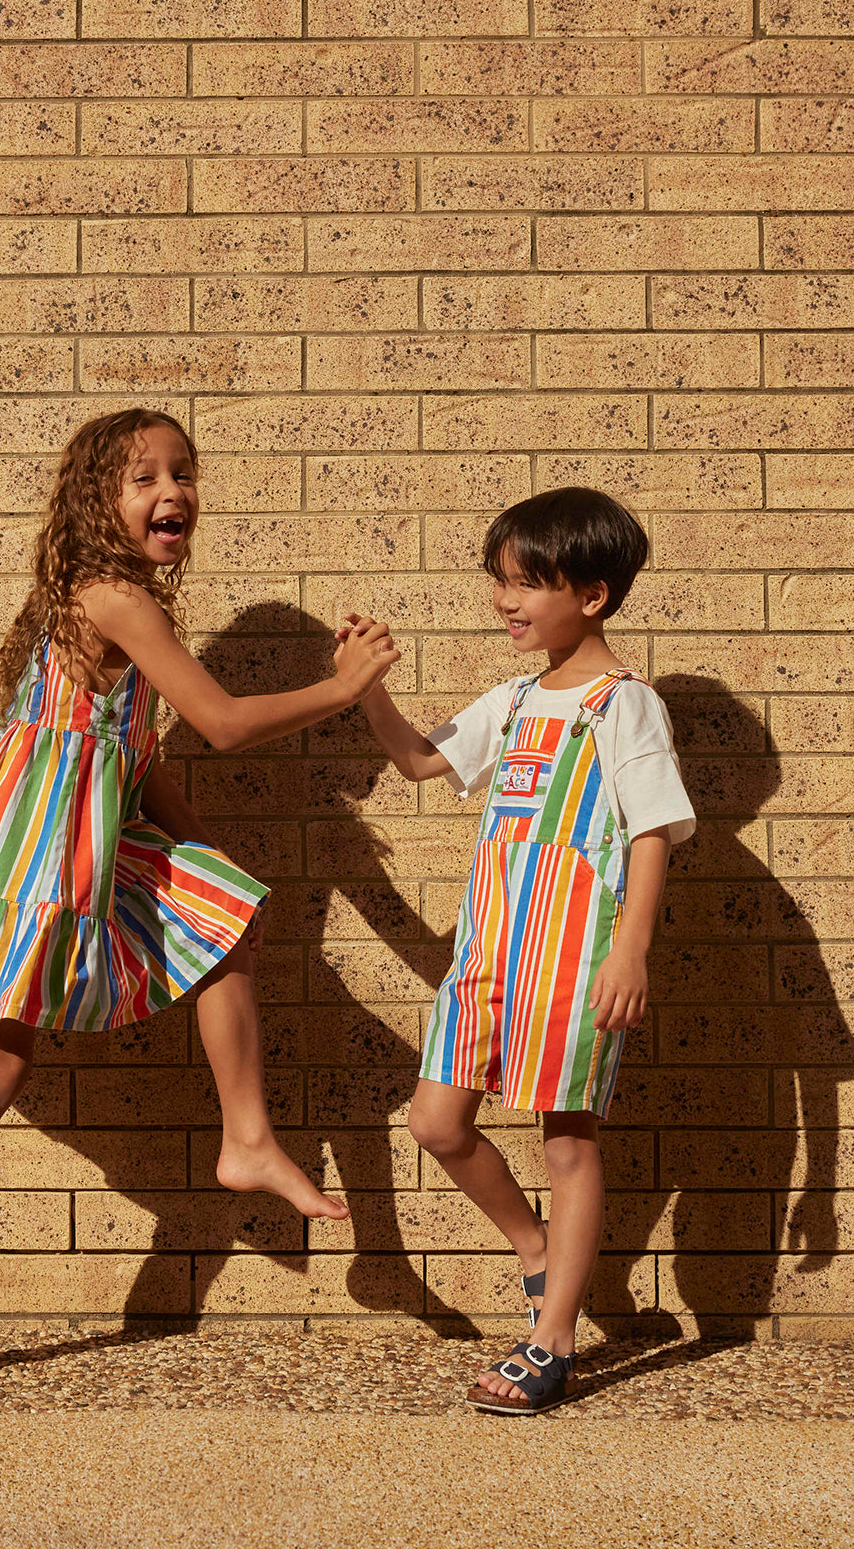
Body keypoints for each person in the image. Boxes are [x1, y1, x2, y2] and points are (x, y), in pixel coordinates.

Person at [0, 406, 398, 1393]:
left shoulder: (124, 603)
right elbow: (218, 723)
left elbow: (138, 755)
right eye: (143, 477)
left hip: (67, 839)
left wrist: (201, 858)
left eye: (182, 474)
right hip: (28, 850)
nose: (170, 491)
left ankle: (244, 1140)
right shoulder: (112, 596)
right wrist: (339, 689)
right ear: (97, 502)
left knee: (213, 935)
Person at [338, 486, 694, 1414]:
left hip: (578, 964)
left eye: (528, 584)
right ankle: (537, 1252)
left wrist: (631, 953)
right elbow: (421, 761)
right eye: (501, 581)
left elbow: (651, 832)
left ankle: (553, 1340)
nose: (507, 601)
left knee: (569, 1144)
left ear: (594, 596)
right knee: (436, 1122)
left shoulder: (626, 708)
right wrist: (365, 688)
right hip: (490, 955)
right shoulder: (514, 698)